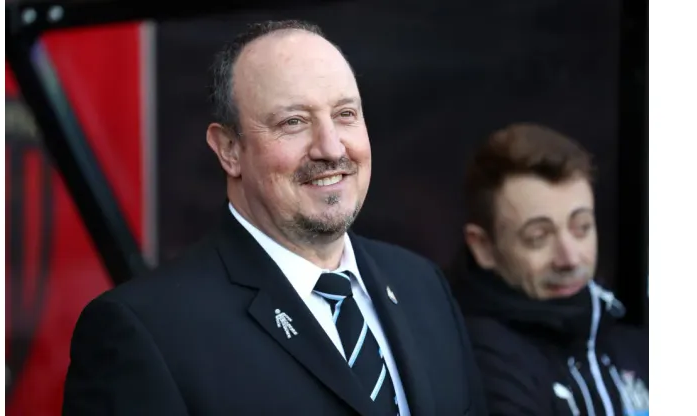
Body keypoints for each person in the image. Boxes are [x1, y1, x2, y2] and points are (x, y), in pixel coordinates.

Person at [62, 20, 487, 416]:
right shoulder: (145, 330)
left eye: (345, 114)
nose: (332, 148)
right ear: (229, 149)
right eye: (294, 122)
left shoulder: (423, 287)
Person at [452, 123, 648, 416]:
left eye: (581, 227)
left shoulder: (627, 338)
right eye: (538, 238)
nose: (569, 258)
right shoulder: (480, 359)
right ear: (483, 248)